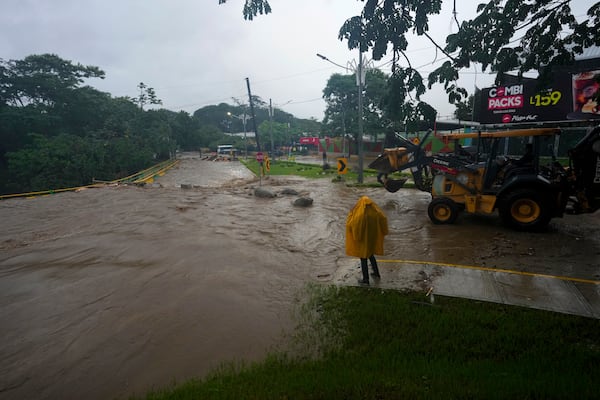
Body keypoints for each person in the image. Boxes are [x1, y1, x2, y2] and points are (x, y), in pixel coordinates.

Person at [345, 196, 389, 286]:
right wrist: (385, 231)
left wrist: (351, 213)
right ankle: (376, 273)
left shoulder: (359, 215)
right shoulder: (376, 212)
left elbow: (350, 225)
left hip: (362, 240)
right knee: (371, 255)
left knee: (363, 258)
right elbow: (383, 219)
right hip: (372, 239)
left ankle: (366, 279)